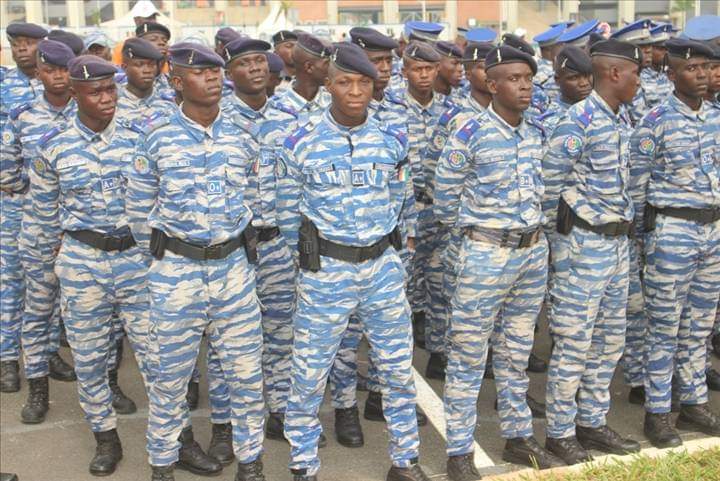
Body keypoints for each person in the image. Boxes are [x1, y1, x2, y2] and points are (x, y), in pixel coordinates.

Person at [277, 42, 429, 481]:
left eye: (364, 82)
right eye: (345, 82)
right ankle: (303, 465)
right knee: (309, 373)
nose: (356, 91)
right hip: (327, 271)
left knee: (397, 370)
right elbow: (287, 216)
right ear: (328, 85)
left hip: (382, 268)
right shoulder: (299, 142)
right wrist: (313, 262)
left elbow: (402, 203)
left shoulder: (392, 139)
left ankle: (405, 461)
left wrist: (395, 259)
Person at [126, 43, 265, 481]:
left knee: (246, 376)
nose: (212, 79)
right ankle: (163, 465)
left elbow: (256, 199)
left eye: (215, 72)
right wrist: (169, 257)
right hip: (177, 273)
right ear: (176, 82)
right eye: (200, 73)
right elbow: (138, 211)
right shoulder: (156, 137)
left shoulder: (242, 135)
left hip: (233, 270)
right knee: (169, 379)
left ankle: (251, 464)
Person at [436, 45, 563, 481]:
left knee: (516, 351)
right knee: (468, 355)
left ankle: (518, 435)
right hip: (486, 255)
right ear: (491, 85)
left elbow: (545, 191)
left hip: (531, 251)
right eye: (513, 79)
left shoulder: (535, 131)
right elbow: (445, 199)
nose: (524, 87)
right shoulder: (469, 132)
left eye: (528, 79)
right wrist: (476, 239)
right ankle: (458, 450)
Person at [30, 54, 153, 476]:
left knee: (158, 358)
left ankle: (176, 440)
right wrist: (56, 263)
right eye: (95, 92)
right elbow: (44, 214)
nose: (107, 98)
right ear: (74, 93)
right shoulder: (53, 145)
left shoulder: (140, 139)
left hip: (136, 259)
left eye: (110, 89)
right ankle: (105, 438)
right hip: (83, 264)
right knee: (89, 359)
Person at [543, 39, 642, 464]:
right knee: (574, 342)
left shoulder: (621, 118)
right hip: (582, 246)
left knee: (609, 342)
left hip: (616, 244)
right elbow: (547, 186)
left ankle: (592, 421)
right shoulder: (578, 121)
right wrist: (558, 248)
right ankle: (560, 432)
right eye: (635, 73)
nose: (639, 81)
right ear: (615, 73)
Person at [629, 38, 720, 448]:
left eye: (706, 67)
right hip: (671, 232)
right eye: (692, 68)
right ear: (671, 74)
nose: (702, 75)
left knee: (699, 325)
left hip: (712, 231)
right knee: (664, 326)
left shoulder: (715, 117)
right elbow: (636, 187)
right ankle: (659, 412)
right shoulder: (655, 121)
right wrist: (641, 241)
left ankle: (694, 402)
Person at [218, 36, 299, 461]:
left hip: (279, 243)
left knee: (282, 331)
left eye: (259, 62)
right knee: (227, 340)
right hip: (234, 247)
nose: (255, 69)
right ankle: (225, 423)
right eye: (244, 63)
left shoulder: (290, 117)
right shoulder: (217, 119)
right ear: (229, 73)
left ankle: (279, 409)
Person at [0, 39, 78, 425]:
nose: (59, 77)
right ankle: (29, 380)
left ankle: (59, 360)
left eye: (65, 70)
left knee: (80, 309)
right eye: (51, 70)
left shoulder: (90, 111)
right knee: (33, 303)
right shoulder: (24, 115)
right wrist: (37, 197)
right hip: (38, 226)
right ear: (39, 73)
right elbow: (7, 169)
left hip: (81, 230)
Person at [0, 21, 48, 395]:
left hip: (52, 207)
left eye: (29, 43)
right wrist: (21, 186)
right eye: (17, 43)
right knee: (11, 282)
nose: (21, 48)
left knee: (47, 286)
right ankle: (7, 359)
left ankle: (46, 354)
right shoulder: (4, 87)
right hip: (15, 203)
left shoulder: (58, 85)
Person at [273, 33, 331, 125]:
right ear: (309, 67)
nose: (332, 69)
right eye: (327, 63)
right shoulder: (274, 109)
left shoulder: (335, 104)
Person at [116, 38, 174, 123]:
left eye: (152, 64)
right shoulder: (113, 102)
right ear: (125, 67)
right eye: (139, 65)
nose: (147, 70)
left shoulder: (169, 100)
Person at [533, 24, 567, 101]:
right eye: (561, 45)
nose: (564, 47)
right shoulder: (549, 71)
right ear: (550, 48)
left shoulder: (535, 66)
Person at [272, 30, 298, 95]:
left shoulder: (308, 77)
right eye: (289, 46)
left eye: (297, 47)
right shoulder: (271, 79)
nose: (295, 50)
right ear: (276, 53)